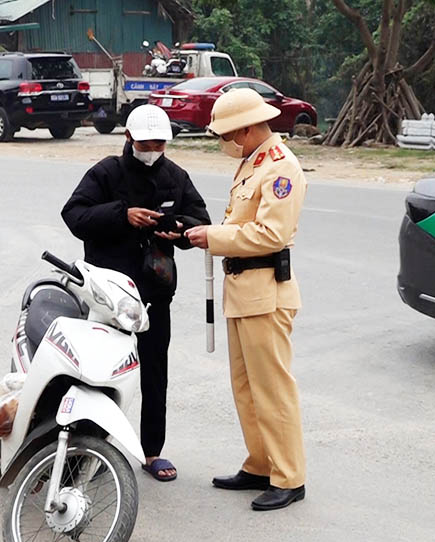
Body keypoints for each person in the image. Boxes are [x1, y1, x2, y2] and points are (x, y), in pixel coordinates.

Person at [62, 104, 211, 481]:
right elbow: (74, 215)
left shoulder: (176, 177)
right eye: (145, 142)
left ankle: (152, 451)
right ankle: (85, 453)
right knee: (95, 374)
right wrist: (122, 215)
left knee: (154, 373)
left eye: (159, 143)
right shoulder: (105, 172)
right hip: (107, 297)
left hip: (154, 294)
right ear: (128, 138)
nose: (152, 149)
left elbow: (200, 222)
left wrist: (177, 229)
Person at [185, 88, 307, 511]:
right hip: (242, 292)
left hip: (266, 293)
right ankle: (260, 463)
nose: (225, 142)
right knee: (246, 388)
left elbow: (270, 235)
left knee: (272, 389)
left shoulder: (280, 168)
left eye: (229, 134)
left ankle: (289, 476)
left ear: (250, 127)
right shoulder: (251, 162)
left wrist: (212, 238)